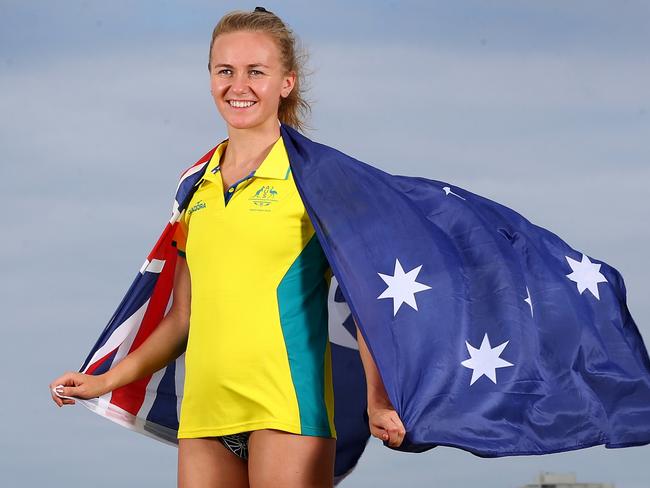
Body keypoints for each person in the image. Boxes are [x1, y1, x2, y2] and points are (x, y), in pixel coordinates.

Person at [49, 7, 406, 488]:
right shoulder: (194, 185)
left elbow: (367, 304)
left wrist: (376, 400)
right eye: (226, 71)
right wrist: (104, 380)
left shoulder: (317, 181)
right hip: (203, 417)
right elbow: (182, 317)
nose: (239, 85)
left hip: (286, 412)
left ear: (286, 82)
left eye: (256, 71)